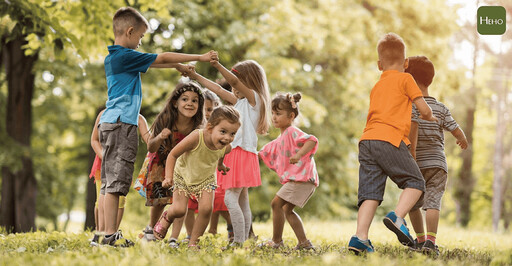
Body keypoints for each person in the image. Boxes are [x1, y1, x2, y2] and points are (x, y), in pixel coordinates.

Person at [98, 6, 213, 246]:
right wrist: (198, 58)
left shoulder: (116, 57)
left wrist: (177, 67)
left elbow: (156, 63)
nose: (140, 42)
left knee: (111, 183)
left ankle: (106, 234)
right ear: (130, 31)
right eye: (140, 37)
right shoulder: (124, 56)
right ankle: (109, 235)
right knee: (117, 184)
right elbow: (160, 58)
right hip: (121, 124)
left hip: (111, 122)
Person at [347, 33, 438, 254]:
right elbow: (423, 108)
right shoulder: (406, 79)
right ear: (406, 64)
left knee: (370, 193)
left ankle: (360, 238)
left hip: (367, 141)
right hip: (389, 139)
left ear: (379, 65)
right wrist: (431, 117)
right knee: (416, 183)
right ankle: (397, 217)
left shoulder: (377, 86)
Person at [186, 57, 271, 246]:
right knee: (242, 201)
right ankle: (244, 240)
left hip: (240, 153)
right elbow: (218, 90)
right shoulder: (240, 102)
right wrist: (195, 76)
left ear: (249, 82)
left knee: (230, 198)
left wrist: (216, 65)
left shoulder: (254, 100)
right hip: (240, 154)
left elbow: (232, 82)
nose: (233, 87)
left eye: (237, 82)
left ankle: (238, 242)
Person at [153, 106, 242, 248]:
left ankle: (194, 242)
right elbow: (173, 154)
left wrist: (220, 165)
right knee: (180, 210)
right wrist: (168, 177)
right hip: (183, 175)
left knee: (206, 209)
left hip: (206, 179)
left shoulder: (227, 147)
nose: (227, 138)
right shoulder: (197, 137)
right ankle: (167, 216)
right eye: (223, 132)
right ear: (210, 127)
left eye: (232, 133)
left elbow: (221, 155)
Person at [405, 56, 468, 255]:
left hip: (415, 164)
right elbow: (456, 129)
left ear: (410, 81)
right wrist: (462, 139)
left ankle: (420, 240)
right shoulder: (440, 107)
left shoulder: (409, 107)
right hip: (438, 165)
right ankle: (430, 242)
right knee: (433, 202)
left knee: (413, 204)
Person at [133, 82, 205, 246]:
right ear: (175, 102)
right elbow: (151, 146)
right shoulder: (166, 119)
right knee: (160, 199)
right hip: (161, 162)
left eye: (195, 101)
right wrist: (159, 137)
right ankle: (151, 228)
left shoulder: (198, 125)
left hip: (183, 165)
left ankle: (173, 236)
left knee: (180, 202)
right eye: (185, 99)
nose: (189, 103)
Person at [259, 92, 319, 250]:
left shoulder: (292, 131)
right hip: (302, 180)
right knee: (286, 210)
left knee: (276, 204)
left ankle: (276, 241)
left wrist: (299, 154)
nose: (274, 117)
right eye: (273, 113)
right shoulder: (281, 137)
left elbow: (312, 140)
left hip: (302, 179)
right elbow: (264, 152)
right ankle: (304, 243)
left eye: (278, 113)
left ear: (291, 115)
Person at [89, 109, 150, 246]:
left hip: (122, 165)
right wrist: (106, 158)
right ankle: (99, 233)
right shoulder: (104, 114)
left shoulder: (137, 118)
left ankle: (112, 234)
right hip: (102, 164)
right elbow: (94, 140)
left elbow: (149, 139)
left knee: (120, 199)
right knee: (101, 198)